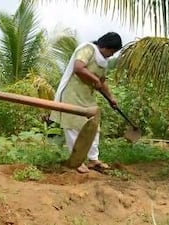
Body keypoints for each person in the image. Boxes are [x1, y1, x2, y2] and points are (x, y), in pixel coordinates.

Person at [50, 32, 122, 173]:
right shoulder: (88, 49)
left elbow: (101, 82)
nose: (112, 55)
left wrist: (111, 98)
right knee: (72, 126)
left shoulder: (103, 62)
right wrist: (94, 80)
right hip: (71, 93)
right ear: (104, 46)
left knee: (93, 126)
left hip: (86, 96)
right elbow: (78, 68)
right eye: (111, 51)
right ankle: (77, 161)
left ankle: (93, 159)